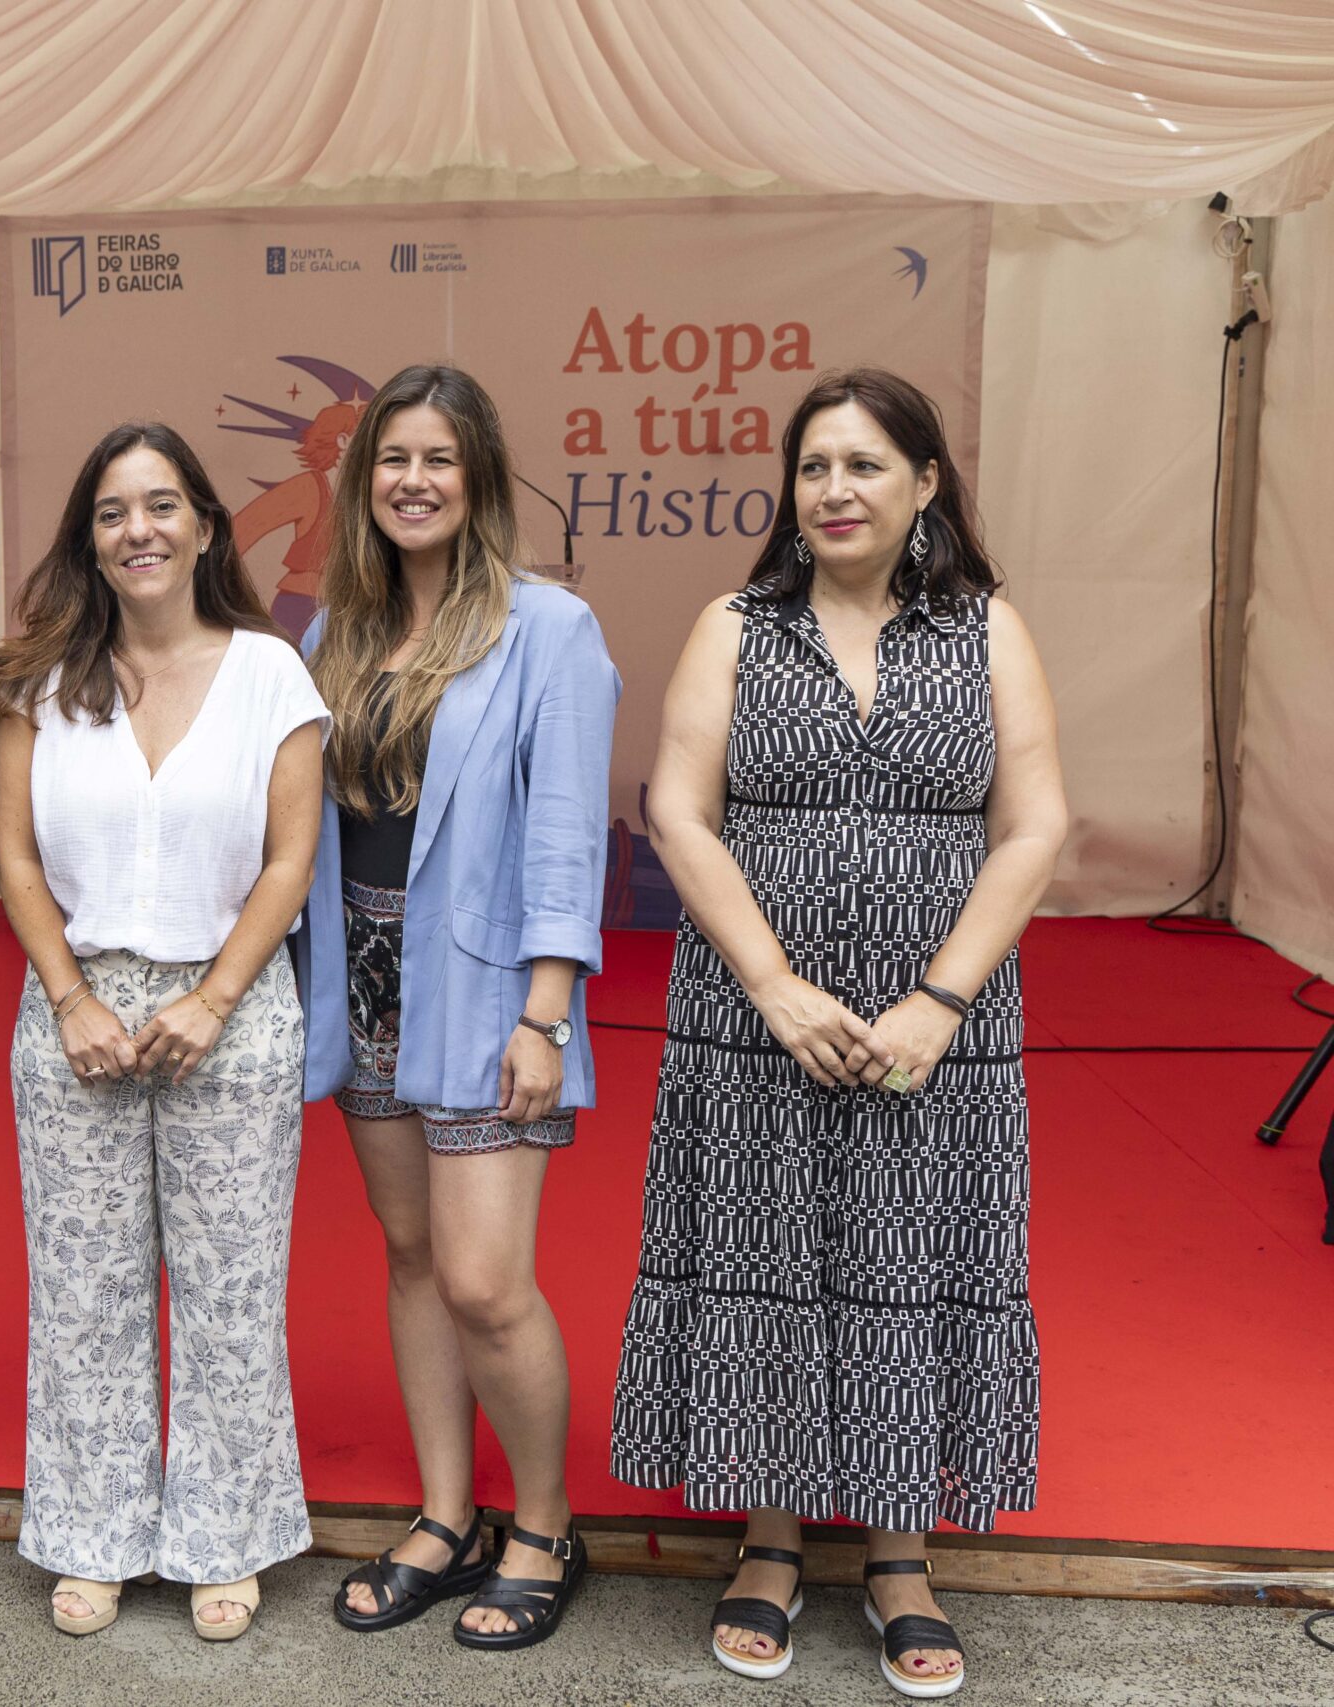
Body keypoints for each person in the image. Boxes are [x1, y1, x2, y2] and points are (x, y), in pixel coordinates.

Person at [609, 367, 1067, 1697]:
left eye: (867, 464)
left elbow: (1033, 823)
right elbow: (679, 808)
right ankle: (766, 1535)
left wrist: (939, 997)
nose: (836, 489)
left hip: (942, 1024)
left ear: (927, 484)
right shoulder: (738, 624)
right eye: (815, 466)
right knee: (765, 1247)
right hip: (759, 1013)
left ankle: (900, 1550)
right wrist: (770, 981)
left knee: (905, 1252)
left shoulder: (987, 630)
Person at [293, 364, 618, 1651]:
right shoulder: (337, 631)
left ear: (477, 475)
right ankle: (445, 1515)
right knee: (415, 1256)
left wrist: (545, 1015)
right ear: (362, 482)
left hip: (487, 996)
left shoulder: (549, 628)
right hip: (366, 983)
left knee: (487, 1280)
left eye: (438, 458)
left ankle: (543, 1524)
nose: (413, 481)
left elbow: (564, 842)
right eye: (391, 460)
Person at [0, 423, 325, 1642]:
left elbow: (290, 860)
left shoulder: (272, 672)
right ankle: (91, 1532)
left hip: (227, 1010)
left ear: (205, 528)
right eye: (114, 510)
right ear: (90, 536)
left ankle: (223, 1535)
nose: (139, 529)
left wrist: (212, 999)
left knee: (232, 1288)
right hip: (72, 1007)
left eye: (163, 504)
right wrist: (73, 998)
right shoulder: (38, 675)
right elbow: (15, 857)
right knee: (83, 1289)